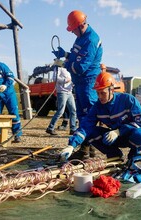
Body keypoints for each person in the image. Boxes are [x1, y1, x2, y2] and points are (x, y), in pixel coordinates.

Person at [59, 71, 141, 162]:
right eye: (98, 93)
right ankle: (115, 156)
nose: (100, 97)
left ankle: (134, 156)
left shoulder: (128, 100)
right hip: (114, 137)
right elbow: (86, 126)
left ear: (112, 90)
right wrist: (71, 145)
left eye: (103, 93)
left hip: (130, 135)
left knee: (140, 134)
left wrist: (119, 131)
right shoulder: (97, 107)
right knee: (91, 132)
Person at [52, 10, 103, 157]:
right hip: (80, 82)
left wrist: (64, 63)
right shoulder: (80, 38)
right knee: (81, 115)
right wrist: (65, 55)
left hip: (88, 82)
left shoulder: (91, 40)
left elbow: (80, 67)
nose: (72, 32)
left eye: (73, 29)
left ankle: (88, 148)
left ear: (80, 26)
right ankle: (86, 149)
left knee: (89, 115)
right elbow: (76, 56)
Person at [46, 65, 77, 136]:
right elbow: (54, 78)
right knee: (60, 111)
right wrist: (65, 81)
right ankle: (50, 128)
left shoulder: (69, 68)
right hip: (62, 92)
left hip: (69, 92)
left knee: (73, 110)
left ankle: (73, 129)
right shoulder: (58, 68)